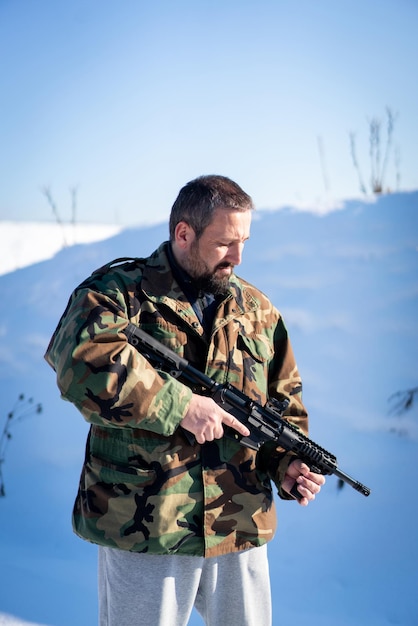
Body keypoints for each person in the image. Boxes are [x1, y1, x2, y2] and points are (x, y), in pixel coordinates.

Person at [45, 175, 325, 626]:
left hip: (238, 523)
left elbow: (282, 402)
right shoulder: (117, 292)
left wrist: (285, 463)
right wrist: (180, 406)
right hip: (147, 523)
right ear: (183, 234)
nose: (237, 257)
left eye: (244, 242)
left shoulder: (258, 311)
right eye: (224, 244)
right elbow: (79, 363)